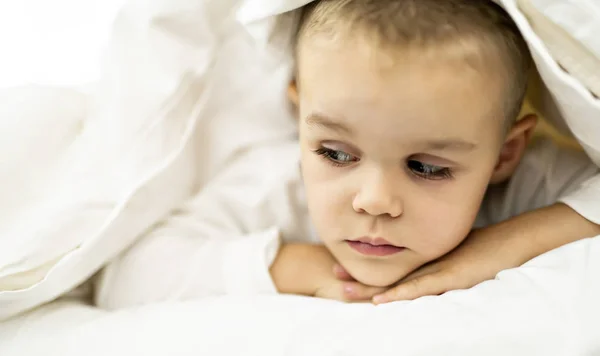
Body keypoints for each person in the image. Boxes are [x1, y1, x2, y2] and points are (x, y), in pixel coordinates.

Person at [95, 0, 600, 309]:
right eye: (335, 154)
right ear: (300, 122)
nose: (374, 200)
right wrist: (297, 268)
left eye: (426, 167)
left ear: (504, 155)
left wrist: (501, 246)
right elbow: (125, 278)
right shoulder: (278, 184)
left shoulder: (527, 181)